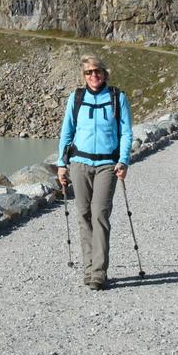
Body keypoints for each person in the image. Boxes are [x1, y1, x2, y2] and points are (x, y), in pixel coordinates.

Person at [57, 54, 133, 291]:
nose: (93, 75)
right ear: (84, 75)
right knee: (83, 215)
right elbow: (66, 132)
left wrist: (123, 161)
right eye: (88, 72)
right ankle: (88, 269)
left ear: (104, 73)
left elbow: (126, 133)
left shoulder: (118, 98)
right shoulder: (76, 98)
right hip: (79, 164)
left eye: (97, 71)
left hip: (107, 166)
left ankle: (99, 272)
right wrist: (61, 164)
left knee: (99, 214)